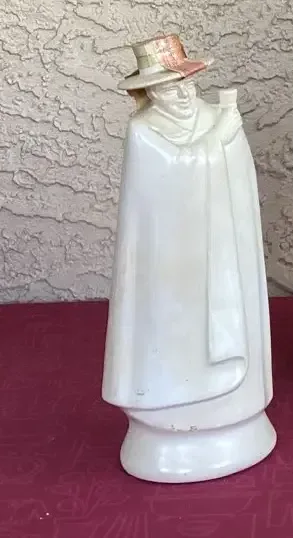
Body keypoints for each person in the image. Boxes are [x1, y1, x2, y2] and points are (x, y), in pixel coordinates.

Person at [101, 34, 275, 482]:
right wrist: (220, 138)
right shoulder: (145, 132)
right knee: (174, 334)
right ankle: (170, 409)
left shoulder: (218, 117)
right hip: (171, 267)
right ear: (148, 93)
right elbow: (173, 176)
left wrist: (227, 137)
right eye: (166, 88)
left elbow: (241, 185)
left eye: (184, 84)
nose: (180, 94)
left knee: (229, 315)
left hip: (224, 259)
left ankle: (234, 405)